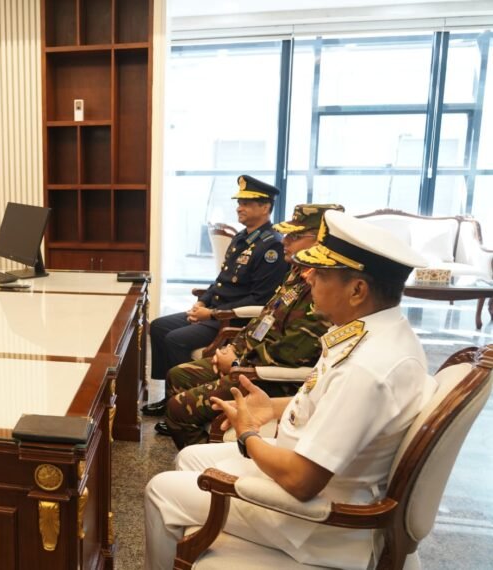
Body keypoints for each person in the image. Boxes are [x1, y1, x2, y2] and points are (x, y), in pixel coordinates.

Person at [144, 209, 436, 570]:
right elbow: (328, 402)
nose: (308, 275)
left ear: (358, 289)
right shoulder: (374, 332)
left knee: (160, 490)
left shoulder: (368, 368)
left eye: (322, 272)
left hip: (315, 521)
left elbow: (302, 480)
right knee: (190, 459)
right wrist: (273, 407)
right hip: (314, 472)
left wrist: (249, 434)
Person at [156, 204, 344, 448]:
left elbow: (291, 354)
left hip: (267, 378)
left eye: (295, 236)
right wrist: (234, 348)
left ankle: (207, 461)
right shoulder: (297, 271)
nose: (285, 241)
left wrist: (237, 363)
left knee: (178, 408)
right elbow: (265, 318)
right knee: (177, 374)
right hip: (250, 360)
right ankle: (198, 440)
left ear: (320, 240)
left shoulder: (322, 284)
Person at [144, 175, 290, 417]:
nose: (239, 208)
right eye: (239, 202)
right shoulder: (242, 237)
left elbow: (261, 299)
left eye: (246, 203)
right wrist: (202, 301)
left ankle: (180, 405)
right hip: (212, 310)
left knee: (176, 339)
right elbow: (221, 279)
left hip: (232, 318)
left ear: (265, 207)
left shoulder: (271, 246)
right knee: (158, 326)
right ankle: (167, 397)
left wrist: (210, 313)